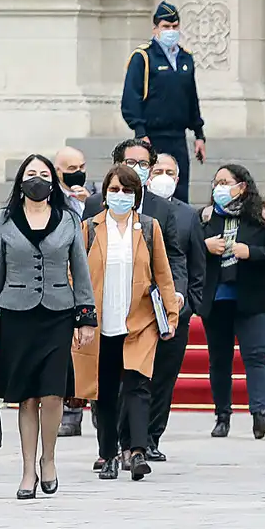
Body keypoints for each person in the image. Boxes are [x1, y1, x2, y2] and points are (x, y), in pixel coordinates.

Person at [0, 154, 97, 499]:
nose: (37, 179)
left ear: (53, 180)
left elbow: (81, 266)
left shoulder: (68, 219)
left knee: (53, 390)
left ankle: (49, 459)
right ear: (20, 181)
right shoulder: (3, 219)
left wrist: (85, 315)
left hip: (57, 312)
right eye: (31, 174)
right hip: (16, 313)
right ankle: (28, 469)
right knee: (26, 395)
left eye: (44, 174)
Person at [66, 138, 188, 443]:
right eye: (130, 164)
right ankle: (107, 450)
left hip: (140, 316)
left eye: (143, 164)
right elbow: (77, 266)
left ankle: (137, 448)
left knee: (137, 383)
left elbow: (169, 261)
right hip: (102, 315)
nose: (121, 195)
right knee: (106, 387)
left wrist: (173, 307)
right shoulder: (92, 215)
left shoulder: (156, 216)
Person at [200, 164, 265, 439]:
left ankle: (260, 415)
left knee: (255, 356)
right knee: (219, 360)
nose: (220, 188)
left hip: (252, 296)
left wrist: (251, 252)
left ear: (242, 186)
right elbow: (187, 248)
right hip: (216, 298)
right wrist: (205, 247)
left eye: (226, 182)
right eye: (216, 183)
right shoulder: (205, 217)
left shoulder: (261, 216)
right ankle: (222, 415)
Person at [141, 153, 205, 460]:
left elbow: (195, 264)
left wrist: (189, 304)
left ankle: (152, 436)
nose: (163, 176)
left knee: (164, 377)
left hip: (174, 310)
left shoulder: (187, 215)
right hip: (137, 307)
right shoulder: (132, 210)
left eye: (170, 172)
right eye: (158, 170)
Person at [121, 0, 207, 202]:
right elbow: (131, 99)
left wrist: (199, 133)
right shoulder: (143, 57)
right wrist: (141, 132)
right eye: (166, 27)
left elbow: (191, 98)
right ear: (155, 28)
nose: (171, 31)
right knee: (152, 190)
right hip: (152, 136)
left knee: (179, 191)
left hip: (178, 136)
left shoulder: (185, 58)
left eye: (175, 26)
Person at [53, 146, 100, 437]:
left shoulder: (98, 195)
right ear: (58, 172)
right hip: (62, 280)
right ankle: (70, 414)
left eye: (81, 166)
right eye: (71, 170)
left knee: (95, 350)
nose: (78, 173)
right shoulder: (48, 198)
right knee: (68, 354)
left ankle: (99, 410)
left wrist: (90, 205)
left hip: (94, 279)